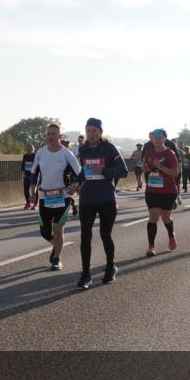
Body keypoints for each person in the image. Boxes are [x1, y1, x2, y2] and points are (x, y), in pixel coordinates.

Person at [74, 118, 128, 289]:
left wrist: (103, 170)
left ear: (100, 132)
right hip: (87, 198)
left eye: (94, 131)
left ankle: (111, 267)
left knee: (105, 235)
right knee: (85, 235)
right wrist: (76, 182)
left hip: (106, 199)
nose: (91, 134)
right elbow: (84, 171)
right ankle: (86, 274)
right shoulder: (83, 150)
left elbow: (123, 172)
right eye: (88, 131)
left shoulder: (109, 148)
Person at [29, 124, 81, 271]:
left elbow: (80, 173)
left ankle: (57, 258)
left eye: (54, 134)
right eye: (49, 134)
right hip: (44, 197)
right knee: (45, 232)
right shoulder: (40, 153)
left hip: (62, 196)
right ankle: (57, 245)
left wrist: (74, 186)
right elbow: (34, 175)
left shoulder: (67, 154)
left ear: (60, 136)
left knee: (58, 228)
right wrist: (32, 194)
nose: (50, 136)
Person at [143, 129, 180, 256]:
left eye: (159, 136)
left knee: (165, 217)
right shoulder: (149, 152)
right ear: (152, 139)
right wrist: (146, 168)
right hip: (152, 190)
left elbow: (175, 173)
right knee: (153, 216)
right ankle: (151, 247)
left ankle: (171, 235)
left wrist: (160, 166)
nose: (156, 139)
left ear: (165, 138)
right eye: (154, 136)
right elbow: (147, 168)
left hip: (168, 191)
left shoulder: (170, 153)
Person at [21, 143, 37, 210]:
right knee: (26, 190)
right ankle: (28, 203)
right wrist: (23, 174)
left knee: (34, 191)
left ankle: (35, 204)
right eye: (28, 149)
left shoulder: (35, 156)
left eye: (30, 149)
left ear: (33, 150)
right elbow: (23, 165)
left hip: (33, 175)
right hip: (27, 175)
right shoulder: (25, 156)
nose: (29, 150)